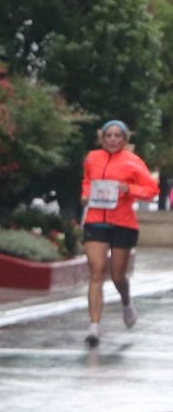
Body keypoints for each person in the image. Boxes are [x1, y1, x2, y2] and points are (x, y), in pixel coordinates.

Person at [79, 119, 155, 347]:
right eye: (108, 135)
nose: (112, 139)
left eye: (117, 136)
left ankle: (126, 301)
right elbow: (87, 181)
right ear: (102, 138)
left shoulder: (133, 161)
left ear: (124, 139)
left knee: (117, 276)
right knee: (96, 271)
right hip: (95, 222)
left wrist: (129, 189)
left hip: (123, 223)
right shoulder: (92, 158)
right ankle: (94, 326)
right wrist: (85, 195)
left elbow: (151, 189)